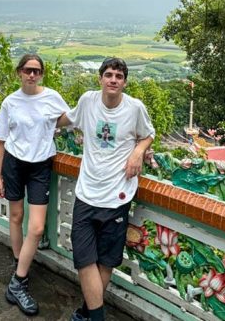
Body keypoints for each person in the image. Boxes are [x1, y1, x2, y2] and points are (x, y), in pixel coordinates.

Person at [57, 57, 154, 321]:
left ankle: (88, 314)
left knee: (106, 261)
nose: (113, 80)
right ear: (100, 78)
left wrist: (138, 152)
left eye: (118, 76)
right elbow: (67, 119)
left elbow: (148, 134)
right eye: (108, 74)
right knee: (84, 259)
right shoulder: (88, 101)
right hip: (87, 193)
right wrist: (41, 119)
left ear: (124, 82)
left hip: (118, 195)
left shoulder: (135, 108)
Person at [0, 53, 69, 316]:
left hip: (40, 164)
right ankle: (19, 265)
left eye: (37, 71)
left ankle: (18, 282)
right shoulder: (10, 102)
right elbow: (1, 139)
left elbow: (67, 118)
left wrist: (54, 125)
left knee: (35, 228)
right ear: (19, 72)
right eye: (28, 70)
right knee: (16, 216)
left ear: (42, 74)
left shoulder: (51, 97)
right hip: (14, 161)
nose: (32, 75)